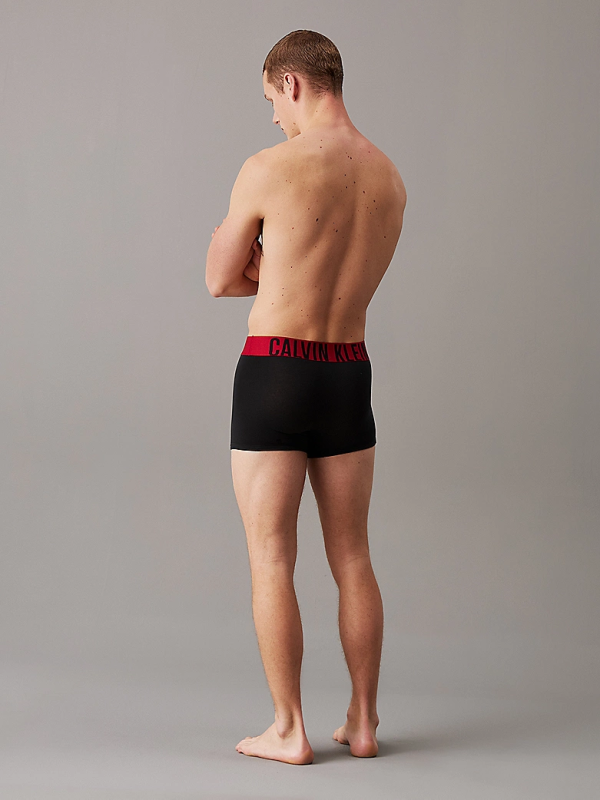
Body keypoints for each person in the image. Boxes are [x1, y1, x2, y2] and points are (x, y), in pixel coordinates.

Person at [206, 29, 406, 765]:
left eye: (272, 99)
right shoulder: (389, 179)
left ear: (292, 83)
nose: (273, 116)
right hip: (349, 371)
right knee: (353, 554)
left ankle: (288, 729)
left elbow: (220, 278)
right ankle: (364, 720)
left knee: (271, 557)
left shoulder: (269, 168)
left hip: (276, 370)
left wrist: (267, 266)